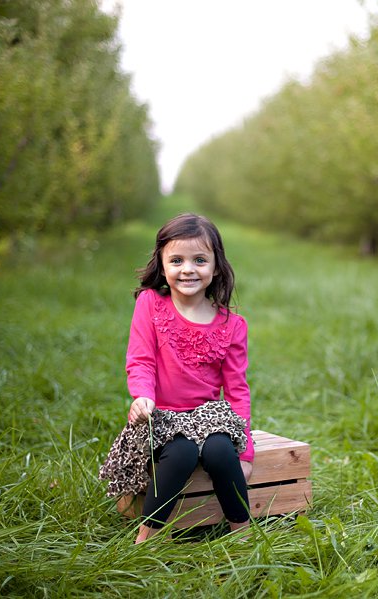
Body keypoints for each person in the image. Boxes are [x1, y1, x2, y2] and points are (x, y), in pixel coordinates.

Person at [99, 213, 254, 543]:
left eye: (200, 260)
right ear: (163, 264)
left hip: (208, 416)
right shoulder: (150, 305)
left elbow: (237, 389)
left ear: (215, 267)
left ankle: (242, 532)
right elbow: (141, 361)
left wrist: (246, 452)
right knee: (182, 453)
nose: (188, 269)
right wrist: (142, 396)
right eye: (177, 260)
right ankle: (148, 537)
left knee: (220, 452)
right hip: (162, 414)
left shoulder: (232, 325)